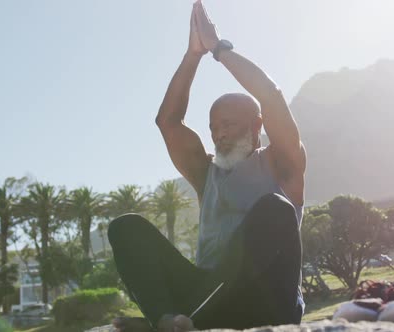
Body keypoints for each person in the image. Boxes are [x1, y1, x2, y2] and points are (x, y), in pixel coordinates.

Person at [108, 1, 306, 331]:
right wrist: (192, 55)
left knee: (276, 209)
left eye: (228, 124)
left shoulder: (281, 163)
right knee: (125, 227)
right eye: (213, 127)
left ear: (257, 126)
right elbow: (168, 121)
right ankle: (168, 321)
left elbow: (271, 96)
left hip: (267, 301)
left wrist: (217, 49)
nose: (218, 133)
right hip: (204, 297)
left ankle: (188, 321)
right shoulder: (206, 174)